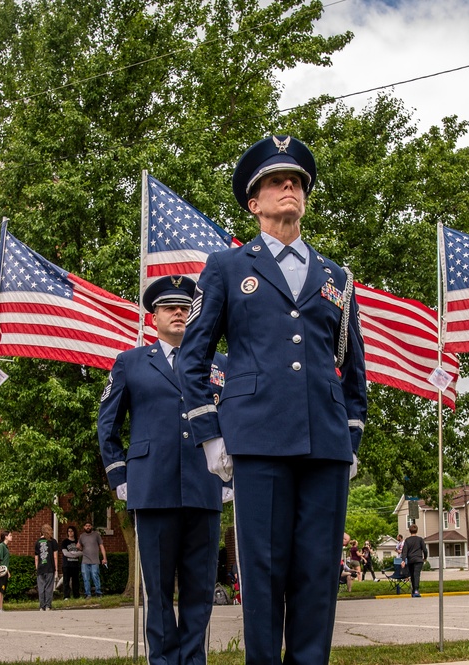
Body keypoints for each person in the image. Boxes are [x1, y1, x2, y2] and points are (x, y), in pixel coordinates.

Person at [178, 135, 367, 664]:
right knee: (262, 572)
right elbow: (194, 358)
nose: (290, 187)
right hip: (256, 439)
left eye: (298, 182)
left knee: (318, 572)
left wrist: (351, 433)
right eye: (275, 182)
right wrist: (210, 435)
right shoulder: (226, 267)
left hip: (325, 443)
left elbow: (354, 364)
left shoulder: (337, 276)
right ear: (253, 202)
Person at [98, 275, 228, 665]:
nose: (179, 313)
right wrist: (121, 477)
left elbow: (235, 420)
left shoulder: (218, 363)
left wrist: (230, 476)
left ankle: (193, 660)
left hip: (206, 488)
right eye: (169, 308)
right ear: (152, 316)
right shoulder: (130, 363)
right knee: (157, 591)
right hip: (152, 488)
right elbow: (107, 426)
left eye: (186, 308)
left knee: (200, 589)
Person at [78, 521, 107, 598]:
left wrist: (104, 558)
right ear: (84, 527)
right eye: (86, 526)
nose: (88, 527)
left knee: (95, 575)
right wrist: (78, 547)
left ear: (91, 527)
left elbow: (101, 546)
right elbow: (80, 547)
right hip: (85, 560)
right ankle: (88, 593)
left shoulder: (96, 535)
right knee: (85, 577)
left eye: (89, 526)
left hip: (95, 560)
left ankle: (98, 592)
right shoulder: (82, 536)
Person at [35, 525, 59, 611]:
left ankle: (42, 606)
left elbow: (36, 557)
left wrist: (36, 568)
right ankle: (48, 605)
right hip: (49, 567)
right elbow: (55, 556)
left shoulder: (37, 542)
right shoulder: (53, 542)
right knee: (49, 587)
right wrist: (56, 568)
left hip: (40, 568)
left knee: (41, 587)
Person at [400, 524, 428, 598]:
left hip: (411, 560)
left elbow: (404, 551)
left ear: (409, 531)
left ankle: (414, 590)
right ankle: (416, 590)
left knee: (412, 575)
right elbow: (425, 550)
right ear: (417, 530)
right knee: (416, 575)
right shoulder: (420, 539)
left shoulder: (407, 540)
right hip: (419, 560)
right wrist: (425, 557)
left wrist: (403, 560)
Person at [61, 525, 83, 600]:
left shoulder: (78, 542)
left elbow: (82, 552)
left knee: (76, 581)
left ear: (74, 532)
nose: (70, 533)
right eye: (69, 531)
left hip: (75, 564)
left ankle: (76, 595)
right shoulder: (65, 542)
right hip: (66, 565)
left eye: (71, 531)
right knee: (66, 581)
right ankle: (66, 596)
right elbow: (65, 553)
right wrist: (74, 554)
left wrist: (72, 554)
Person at [0, 531, 12, 612]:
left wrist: (7, 572)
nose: (11, 537)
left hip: (4, 571)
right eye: (10, 535)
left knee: (3, 589)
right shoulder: (1, 546)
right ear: (6, 536)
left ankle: (1, 607)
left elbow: (5, 562)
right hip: (0, 571)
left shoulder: (6, 547)